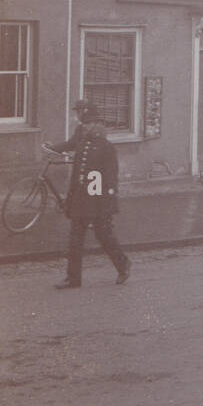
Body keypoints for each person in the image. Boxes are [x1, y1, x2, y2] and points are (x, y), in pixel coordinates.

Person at [53, 122, 130, 289]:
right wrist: (70, 200)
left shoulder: (107, 147)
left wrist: (108, 202)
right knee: (75, 240)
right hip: (81, 202)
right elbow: (76, 177)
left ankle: (123, 265)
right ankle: (73, 279)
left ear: (96, 128)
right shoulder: (82, 146)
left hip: (98, 202)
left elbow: (110, 177)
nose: (84, 129)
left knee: (104, 236)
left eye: (88, 126)